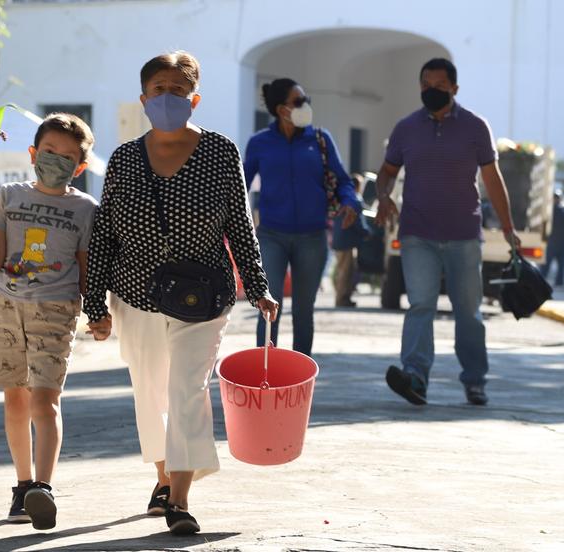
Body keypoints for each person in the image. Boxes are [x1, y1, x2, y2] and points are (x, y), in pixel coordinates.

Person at [84, 51, 278, 535]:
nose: (167, 98)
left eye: (177, 90)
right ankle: (162, 477)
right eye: (158, 90)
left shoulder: (219, 152)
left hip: (203, 296)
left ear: (193, 98)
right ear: (144, 98)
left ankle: (180, 497)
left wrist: (258, 288)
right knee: (150, 395)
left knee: (187, 391)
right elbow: (105, 232)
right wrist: (95, 305)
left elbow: (240, 224)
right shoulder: (126, 159)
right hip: (136, 294)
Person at [0, 113, 97, 530]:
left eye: (67, 157)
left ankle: (42, 488)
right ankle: (22, 486)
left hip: (56, 310)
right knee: (15, 399)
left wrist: (97, 311)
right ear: (33, 153)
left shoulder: (86, 209)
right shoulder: (9, 196)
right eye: (49, 151)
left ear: (79, 167)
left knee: (45, 400)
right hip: (6, 307)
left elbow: (86, 268)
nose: (56, 160)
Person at [375, 58, 520, 407]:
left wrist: (509, 226)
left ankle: (474, 381)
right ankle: (416, 377)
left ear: (454, 88)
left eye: (439, 86)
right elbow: (387, 172)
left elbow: (492, 179)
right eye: (426, 85)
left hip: (463, 236)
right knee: (420, 304)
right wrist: (383, 196)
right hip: (417, 233)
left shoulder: (475, 127)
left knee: (468, 311)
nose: (431, 91)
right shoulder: (406, 128)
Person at [243, 78, 359, 356]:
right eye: (299, 101)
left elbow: (342, 179)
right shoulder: (260, 143)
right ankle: (265, 368)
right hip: (271, 235)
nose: (305, 106)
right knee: (268, 305)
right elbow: (241, 183)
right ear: (282, 109)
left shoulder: (320, 139)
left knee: (304, 309)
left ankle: (300, 373)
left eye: (306, 100)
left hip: (313, 236)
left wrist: (350, 200)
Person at [332, 173, 369, 307]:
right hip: (347, 242)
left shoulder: (341, 200)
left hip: (338, 240)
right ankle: (341, 299)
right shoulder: (354, 201)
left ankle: (343, 297)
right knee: (345, 272)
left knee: (343, 270)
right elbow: (358, 222)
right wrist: (367, 233)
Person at [541, 191, 564, 286]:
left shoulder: (552, 210)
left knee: (548, 264)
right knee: (561, 264)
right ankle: (559, 282)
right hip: (562, 242)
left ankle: (542, 280)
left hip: (554, 242)